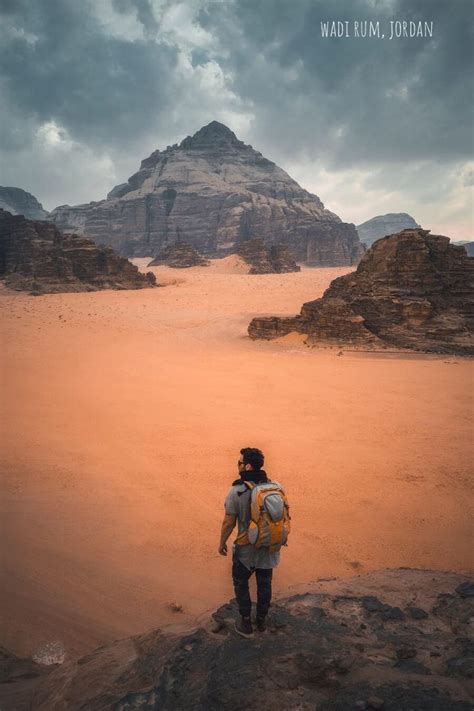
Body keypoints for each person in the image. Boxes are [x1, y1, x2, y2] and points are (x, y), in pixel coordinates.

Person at [218, 447, 281, 638]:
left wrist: (221, 542)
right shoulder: (274, 487)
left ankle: (246, 623)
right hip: (268, 547)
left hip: (245, 550)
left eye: (239, 462)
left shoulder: (236, 491)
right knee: (264, 584)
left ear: (247, 465)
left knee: (240, 583)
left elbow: (229, 521)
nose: (237, 465)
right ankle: (261, 622)